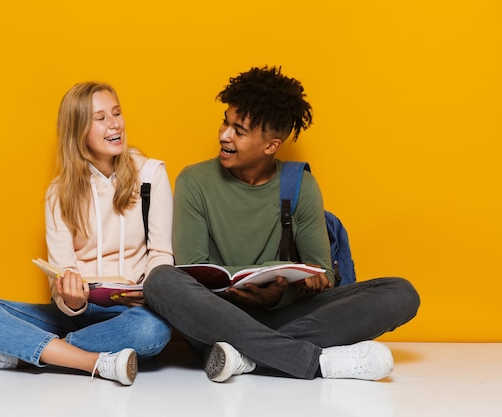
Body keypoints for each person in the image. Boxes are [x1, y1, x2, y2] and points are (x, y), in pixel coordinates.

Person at [144, 66, 420, 382]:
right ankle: (315, 362)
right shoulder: (194, 181)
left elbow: (323, 271)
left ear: (271, 146)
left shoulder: (300, 185)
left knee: (400, 292)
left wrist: (278, 294)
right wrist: (247, 286)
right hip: (218, 317)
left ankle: (245, 357)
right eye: (225, 121)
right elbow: (194, 269)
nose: (224, 135)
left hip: (281, 316)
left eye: (239, 130)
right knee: (160, 280)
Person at [0, 81, 174, 386]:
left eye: (117, 113)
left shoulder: (151, 175)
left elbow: (161, 254)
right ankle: (91, 361)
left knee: (154, 331)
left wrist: (148, 292)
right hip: (76, 312)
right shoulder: (60, 192)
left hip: (131, 311)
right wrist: (74, 300)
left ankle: (20, 353)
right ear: (78, 130)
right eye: (101, 118)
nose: (114, 124)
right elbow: (61, 276)